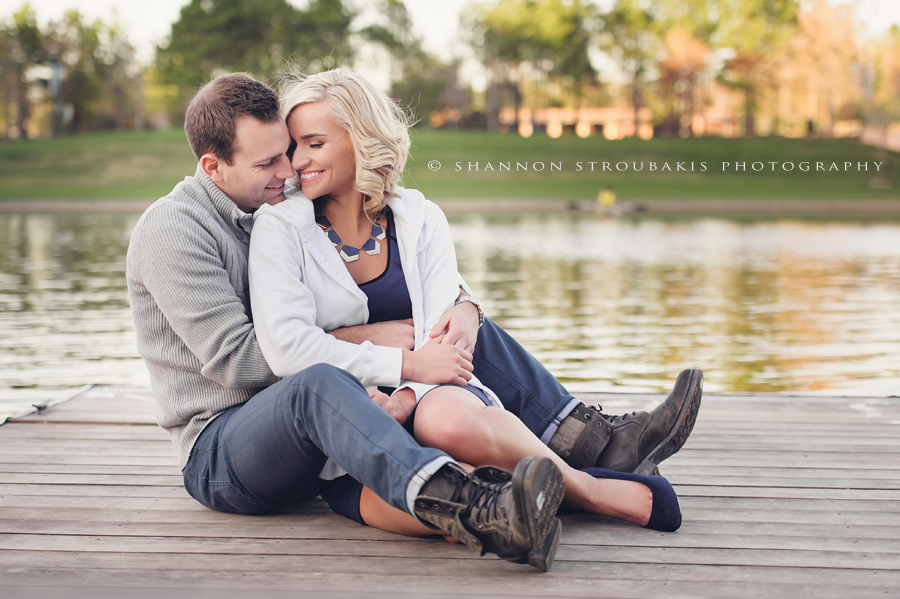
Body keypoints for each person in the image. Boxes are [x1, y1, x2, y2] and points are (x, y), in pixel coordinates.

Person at [125, 72, 566, 571]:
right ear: (213, 166)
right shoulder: (173, 230)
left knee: (455, 335)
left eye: (288, 150)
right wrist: (367, 344)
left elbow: (400, 290)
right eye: (269, 161)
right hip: (223, 450)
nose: (288, 169)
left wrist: (465, 304)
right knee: (319, 383)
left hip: (311, 434)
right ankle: (483, 512)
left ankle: (575, 446)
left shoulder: (271, 205)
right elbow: (239, 363)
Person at [248, 67, 696, 535]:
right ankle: (590, 490)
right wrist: (396, 364)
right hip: (351, 418)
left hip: (424, 393)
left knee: (450, 424)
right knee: (459, 487)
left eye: (313, 144)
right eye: (293, 146)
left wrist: (405, 394)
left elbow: (443, 335)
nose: (297, 161)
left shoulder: (420, 218)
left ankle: (580, 479)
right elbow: (288, 347)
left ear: (361, 139)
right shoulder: (280, 228)